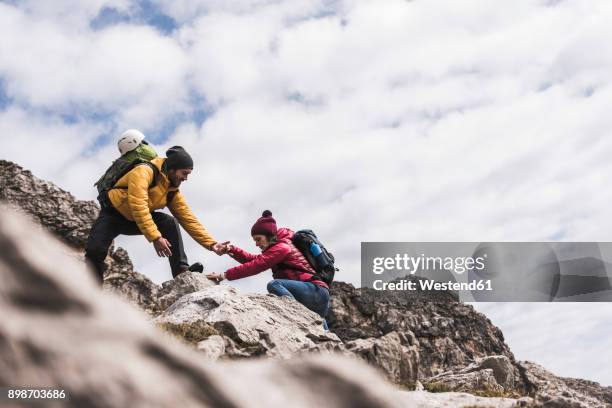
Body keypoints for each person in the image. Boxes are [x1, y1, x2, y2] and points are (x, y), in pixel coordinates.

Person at [85, 141, 226, 283]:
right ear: (172, 169)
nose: (185, 178)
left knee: (169, 223)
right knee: (94, 250)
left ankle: (181, 272)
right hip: (112, 214)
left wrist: (212, 244)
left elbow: (188, 219)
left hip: (135, 220)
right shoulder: (143, 171)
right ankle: (92, 290)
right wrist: (156, 237)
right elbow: (138, 205)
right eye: (184, 173)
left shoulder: (172, 191)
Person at [206, 210, 331, 329]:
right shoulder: (279, 248)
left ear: (269, 235)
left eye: (258, 239)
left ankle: (296, 316)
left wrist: (224, 275)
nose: (256, 244)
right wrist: (231, 249)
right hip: (317, 295)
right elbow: (253, 260)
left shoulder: (282, 248)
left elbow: (256, 266)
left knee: (275, 285)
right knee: (322, 330)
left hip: (315, 291)